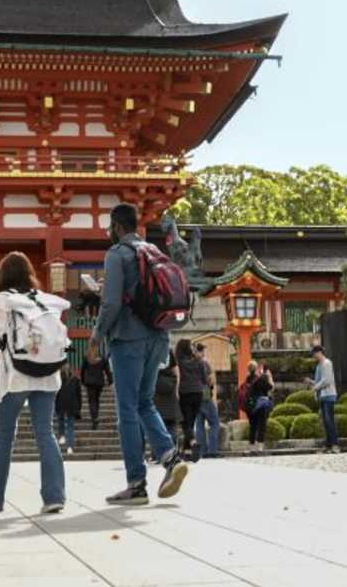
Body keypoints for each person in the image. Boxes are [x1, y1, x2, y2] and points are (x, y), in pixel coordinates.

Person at [92, 203, 191, 506]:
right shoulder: (152, 251)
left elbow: (111, 305)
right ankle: (171, 458)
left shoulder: (117, 254)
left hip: (128, 340)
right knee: (144, 402)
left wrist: (96, 336)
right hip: (158, 337)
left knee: (127, 410)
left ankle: (136, 484)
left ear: (117, 226)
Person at [0, 251, 69, 514]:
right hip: (48, 374)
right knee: (45, 433)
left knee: (5, 437)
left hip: (14, 376)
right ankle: (54, 497)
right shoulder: (45, 301)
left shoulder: (2, 301)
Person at [173, 338, 204, 455]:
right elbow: (204, 378)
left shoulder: (178, 363)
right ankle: (187, 451)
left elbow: (175, 377)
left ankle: (193, 442)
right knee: (191, 422)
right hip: (198, 393)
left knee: (186, 422)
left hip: (184, 393)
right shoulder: (198, 361)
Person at [308, 344, 341, 454]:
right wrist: (311, 382)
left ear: (319, 353)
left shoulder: (327, 363)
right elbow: (319, 381)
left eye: (314, 354)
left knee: (329, 420)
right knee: (326, 422)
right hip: (322, 396)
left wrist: (315, 388)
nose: (313, 356)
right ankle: (329, 444)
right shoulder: (318, 366)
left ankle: (335, 445)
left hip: (329, 395)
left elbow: (327, 380)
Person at [193, 344, 222, 459]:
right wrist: (210, 387)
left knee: (199, 424)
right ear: (199, 352)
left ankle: (202, 451)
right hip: (204, 392)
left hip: (192, 394)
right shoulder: (204, 363)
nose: (204, 353)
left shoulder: (187, 363)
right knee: (214, 422)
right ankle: (213, 450)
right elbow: (211, 380)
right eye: (203, 351)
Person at [243, 361, 274, 454]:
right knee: (262, 425)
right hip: (261, 405)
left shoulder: (247, 379)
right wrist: (270, 377)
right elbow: (271, 388)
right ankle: (260, 446)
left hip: (251, 406)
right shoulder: (261, 379)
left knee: (253, 426)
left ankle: (251, 446)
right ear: (256, 369)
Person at [80, 341, 111, 429]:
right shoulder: (102, 359)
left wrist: (82, 380)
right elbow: (107, 371)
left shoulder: (87, 358)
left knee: (91, 401)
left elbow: (83, 370)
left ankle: (94, 418)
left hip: (89, 382)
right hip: (99, 382)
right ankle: (95, 416)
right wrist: (110, 381)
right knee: (96, 400)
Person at [56, 363, 82, 455]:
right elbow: (79, 395)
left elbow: (56, 393)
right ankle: (70, 447)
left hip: (61, 403)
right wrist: (79, 407)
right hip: (72, 405)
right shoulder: (75, 380)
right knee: (70, 427)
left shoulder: (58, 379)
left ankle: (62, 435)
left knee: (61, 420)